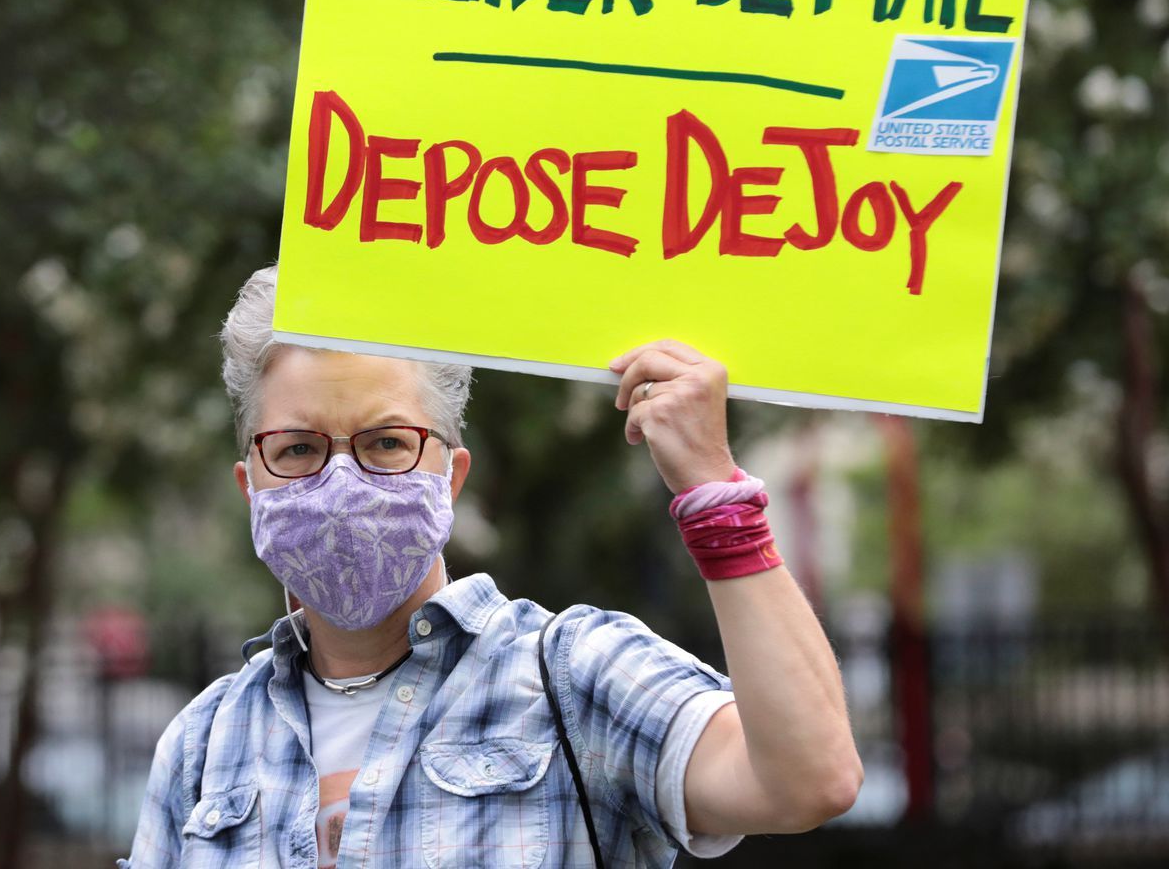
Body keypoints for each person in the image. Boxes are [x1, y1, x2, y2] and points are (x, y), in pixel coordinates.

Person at [121, 265, 862, 867]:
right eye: (298, 449)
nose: (341, 484)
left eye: (385, 443)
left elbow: (807, 782)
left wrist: (714, 493)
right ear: (251, 485)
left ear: (450, 475)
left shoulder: (575, 679)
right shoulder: (203, 743)